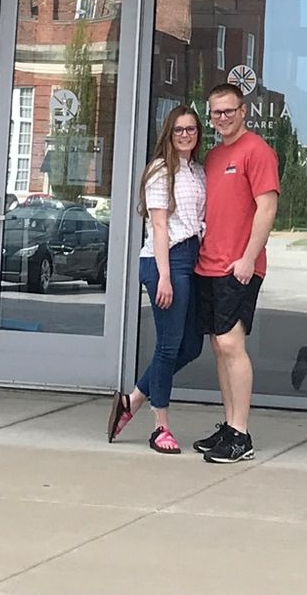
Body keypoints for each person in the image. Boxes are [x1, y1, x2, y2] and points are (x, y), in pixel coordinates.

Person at [108, 105, 207, 453]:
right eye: (179, 129)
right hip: (166, 261)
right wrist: (165, 276)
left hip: (192, 259)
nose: (185, 135)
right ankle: (160, 427)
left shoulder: (197, 171)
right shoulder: (160, 171)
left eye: (191, 129)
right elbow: (160, 225)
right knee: (168, 346)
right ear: (169, 132)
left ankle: (132, 400)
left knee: (191, 346)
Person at [192, 82, 279, 464]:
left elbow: (267, 207)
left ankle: (241, 435)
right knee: (219, 346)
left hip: (239, 266)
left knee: (231, 345)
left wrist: (248, 258)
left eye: (229, 110)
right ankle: (229, 427)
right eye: (216, 112)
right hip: (208, 264)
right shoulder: (213, 157)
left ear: (243, 111)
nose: (223, 117)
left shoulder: (257, 151)